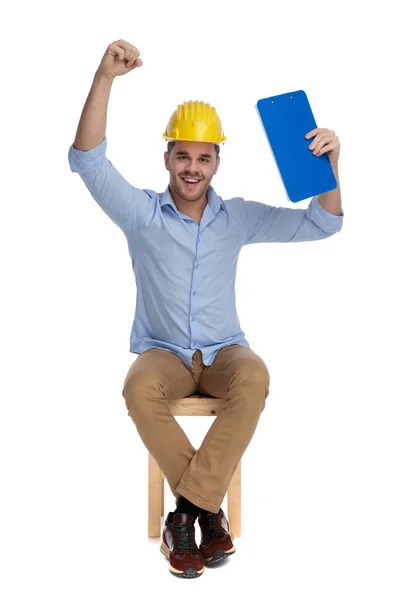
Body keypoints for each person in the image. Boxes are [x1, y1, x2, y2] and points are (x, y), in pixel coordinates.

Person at [68, 39, 344, 579]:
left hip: (224, 354)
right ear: (167, 157)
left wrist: (331, 166)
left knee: (255, 377)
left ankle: (186, 513)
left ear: (217, 161)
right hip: (164, 356)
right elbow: (87, 160)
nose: (192, 168)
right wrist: (104, 78)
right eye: (182, 156)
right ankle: (209, 513)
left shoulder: (238, 218)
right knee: (135, 387)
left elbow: (323, 223)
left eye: (203, 157)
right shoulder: (141, 214)